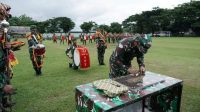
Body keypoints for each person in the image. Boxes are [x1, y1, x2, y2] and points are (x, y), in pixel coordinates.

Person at [0, 3, 16, 111]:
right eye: (2, 16)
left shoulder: (3, 32)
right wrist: (1, 86)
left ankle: (3, 103)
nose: (4, 19)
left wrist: (7, 47)